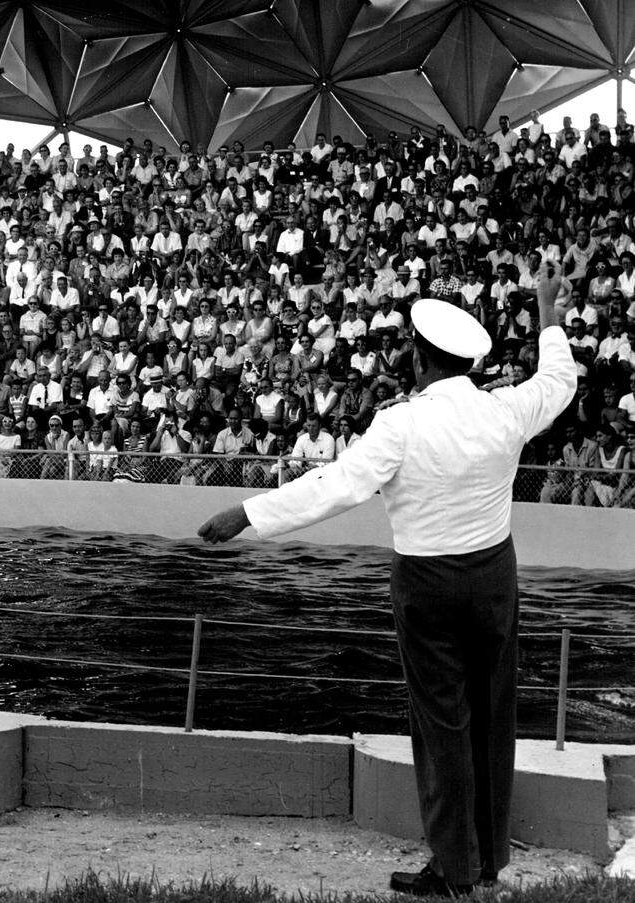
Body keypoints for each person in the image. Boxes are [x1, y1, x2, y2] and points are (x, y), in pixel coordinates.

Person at [198, 265, 576, 896]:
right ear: (468, 363)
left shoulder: (400, 424)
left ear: (420, 359)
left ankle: (453, 867)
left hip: (427, 584)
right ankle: (487, 862)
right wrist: (548, 313)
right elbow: (559, 380)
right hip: (494, 577)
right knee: (492, 715)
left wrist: (248, 513)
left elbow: (335, 485)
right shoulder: (506, 410)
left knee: (442, 723)